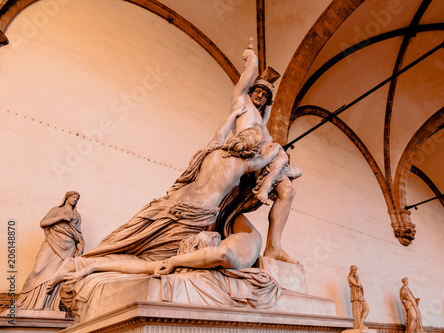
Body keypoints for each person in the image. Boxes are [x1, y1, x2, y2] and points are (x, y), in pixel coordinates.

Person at [46, 107, 280, 288]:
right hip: (193, 216)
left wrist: (234, 115)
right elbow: (270, 155)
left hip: (166, 204)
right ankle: (87, 265)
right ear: (250, 149)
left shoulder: (212, 151)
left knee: (127, 238)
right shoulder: (243, 164)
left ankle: (85, 262)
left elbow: (219, 132)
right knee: (153, 257)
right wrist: (277, 146)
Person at [227, 38, 302, 264]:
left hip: (266, 159)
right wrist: (252, 58)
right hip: (247, 154)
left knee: (288, 191)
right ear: (250, 91)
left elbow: (267, 115)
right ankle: (268, 183)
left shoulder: (261, 118)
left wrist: (270, 89)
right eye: (257, 91)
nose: (260, 96)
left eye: (265, 95)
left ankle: (273, 247)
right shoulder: (242, 102)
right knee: (277, 148)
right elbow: (245, 80)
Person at [17, 191, 84, 310]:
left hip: (68, 246)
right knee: (38, 270)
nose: (75, 199)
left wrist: (79, 244)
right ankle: (24, 300)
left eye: (77, 198)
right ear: (66, 198)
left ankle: (45, 304)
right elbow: (43, 223)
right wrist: (61, 217)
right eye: (73, 197)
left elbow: (78, 233)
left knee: (56, 275)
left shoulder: (77, 215)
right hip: (52, 241)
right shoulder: (55, 210)